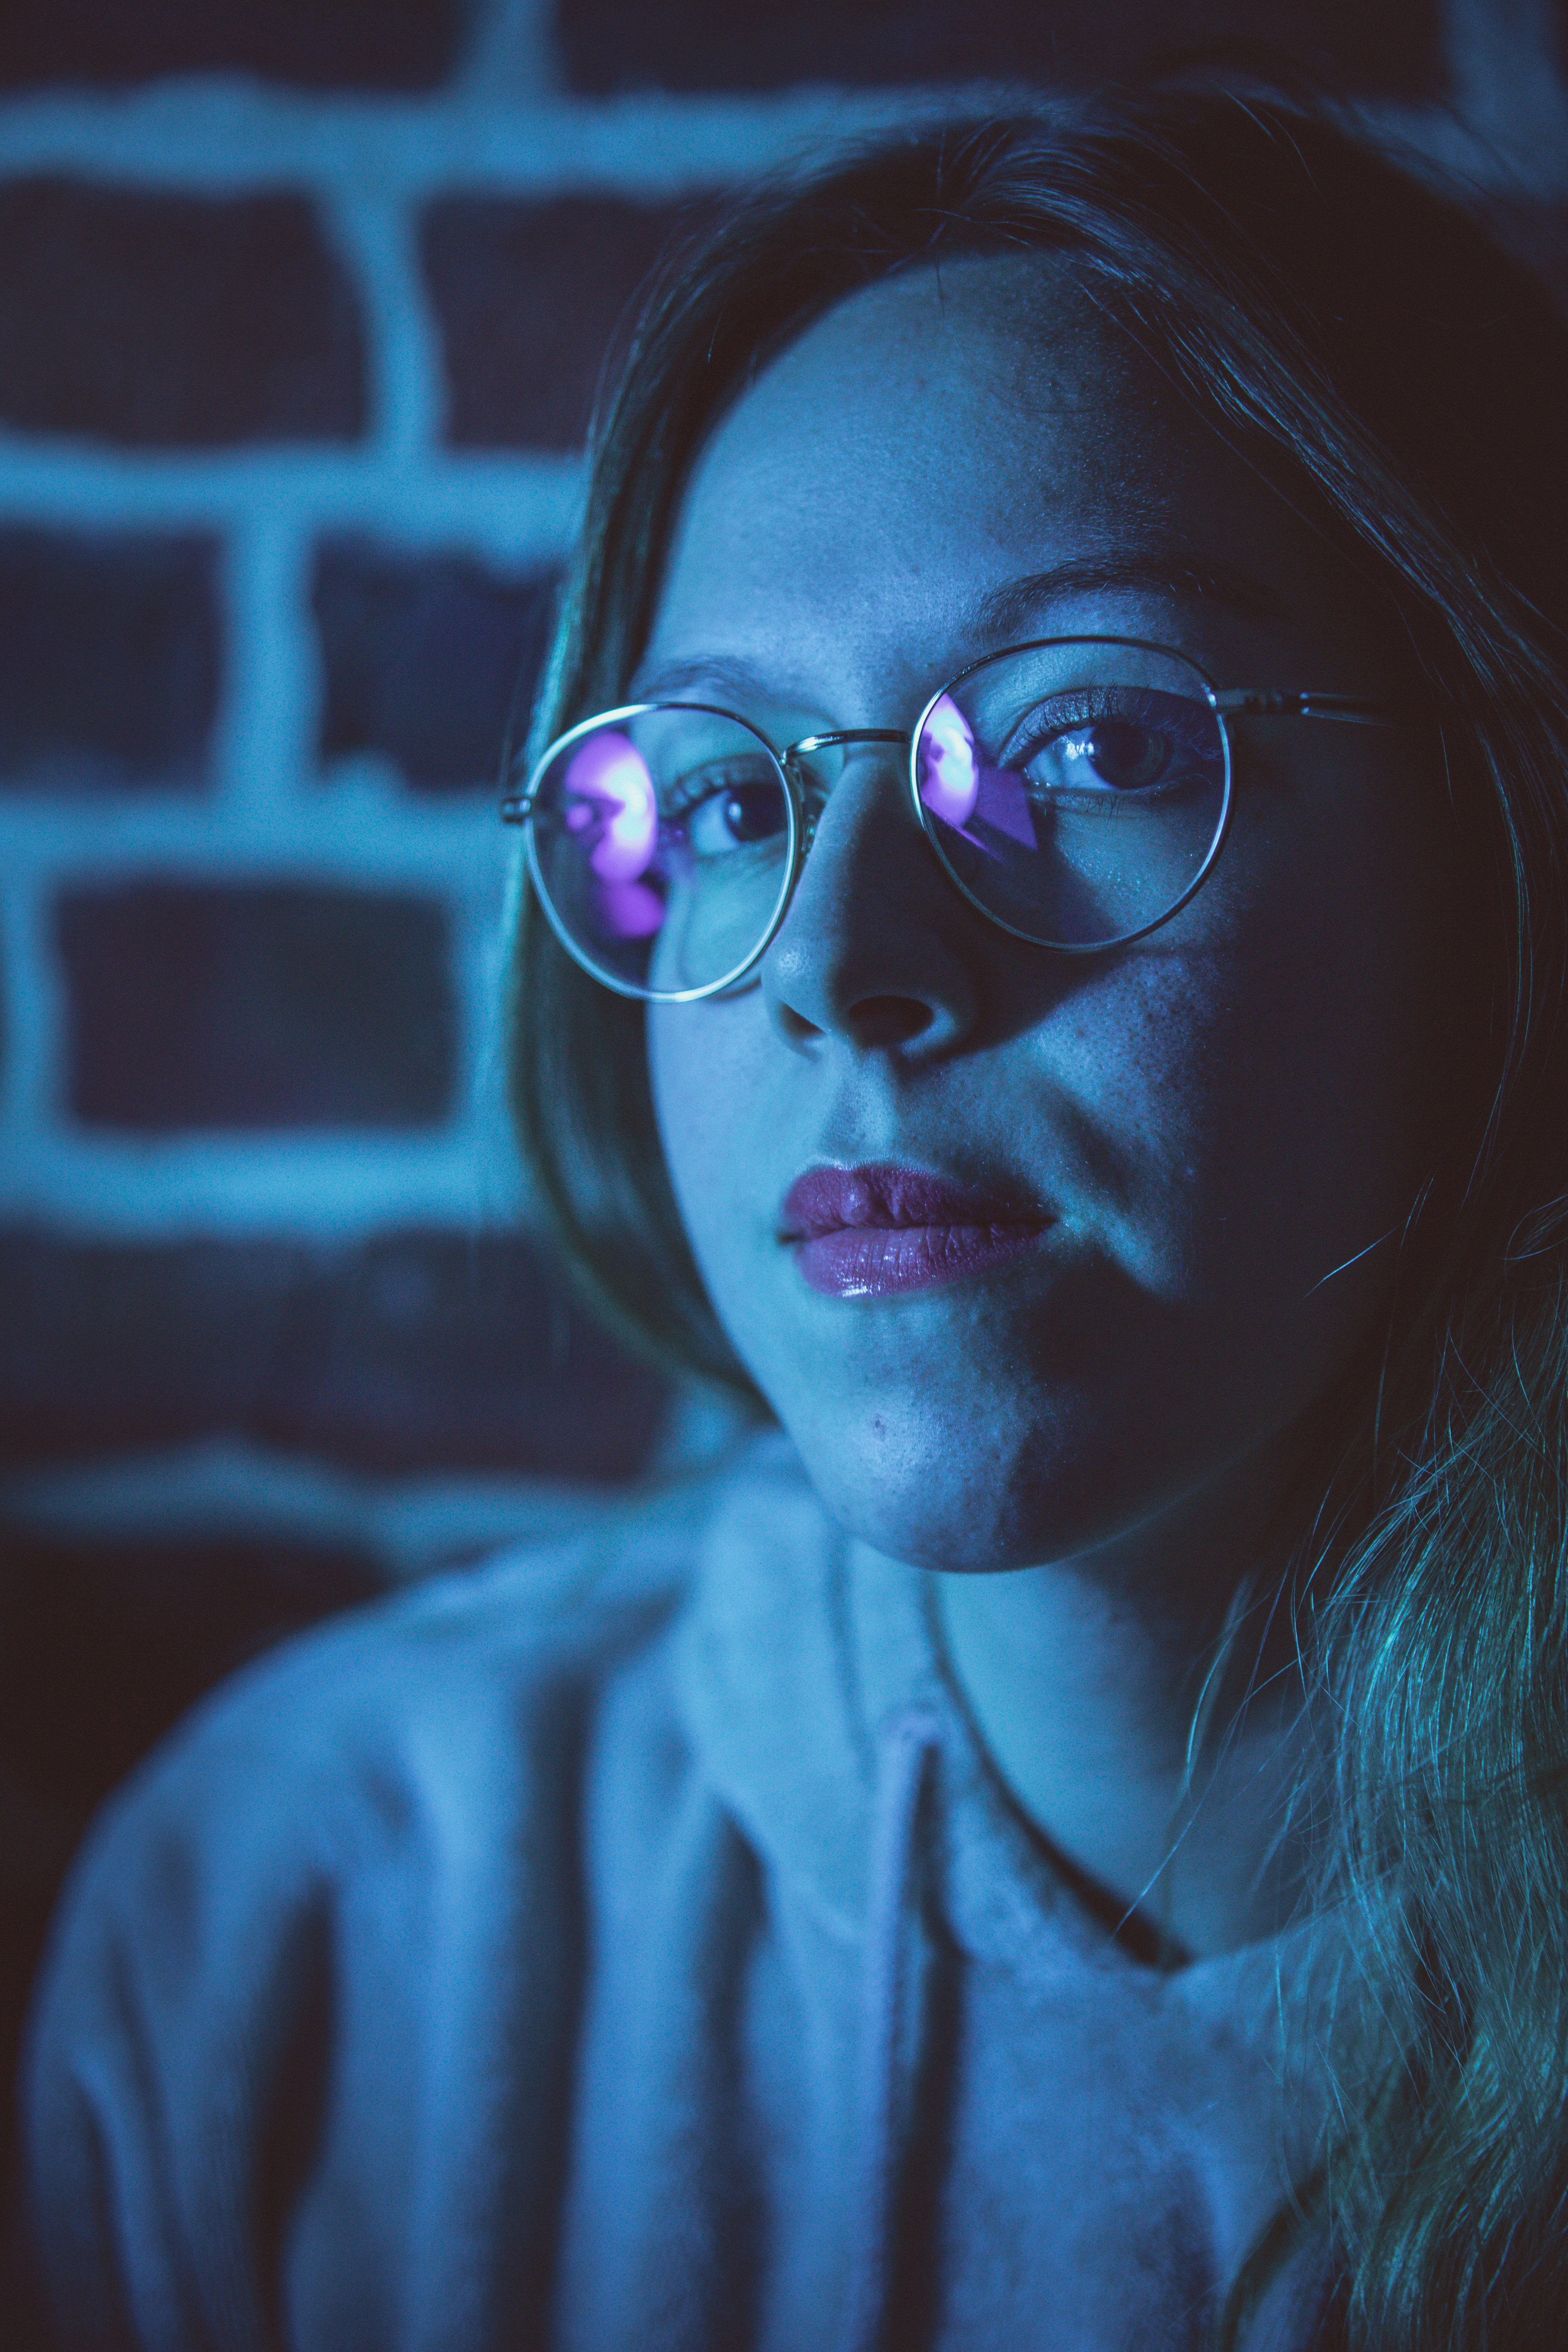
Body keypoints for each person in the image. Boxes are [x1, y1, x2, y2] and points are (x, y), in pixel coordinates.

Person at [19, 77, 1568, 2352]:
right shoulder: (320, 1934)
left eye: (1092, 747)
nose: (846, 961)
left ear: (1501, 844)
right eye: (728, 792)